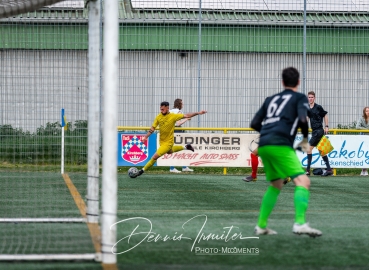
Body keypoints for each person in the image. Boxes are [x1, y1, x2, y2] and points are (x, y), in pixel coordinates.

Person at [250, 67, 322, 237]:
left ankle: (261, 225)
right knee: (303, 181)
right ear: (298, 82)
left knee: (276, 184)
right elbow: (304, 119)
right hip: (280, 143)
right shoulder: (299, 98)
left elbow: (254, 122)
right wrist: (304, 139)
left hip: (264, 145)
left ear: (282, 82)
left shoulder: (272, 99)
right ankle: (300, 223)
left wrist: (268, 132)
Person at [133, 101, 207, 177]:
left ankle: (141, 171)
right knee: (169, 152)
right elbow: (152, 128)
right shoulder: (158, 117)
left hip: (168, 142)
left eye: (163, 109)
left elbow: (186, 115)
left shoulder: (173, 116)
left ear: (167, 108)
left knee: (155, 156)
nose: (161, 111)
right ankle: (186, 147)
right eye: (160, 109)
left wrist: (198, 113)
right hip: (161, 141)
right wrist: (146, 137)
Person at [306, 91, 332, 177]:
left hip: (319, 131)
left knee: (308, 149)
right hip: (314, 131)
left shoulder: (318, 107)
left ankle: (308, 170)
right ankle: (329, 169)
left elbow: (325, 115)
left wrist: (327, 126)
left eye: (312, 97)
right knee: (322, 151)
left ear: (314, 98)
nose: (310, 99)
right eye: (309, 97)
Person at [169, 98, 194, 173]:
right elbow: (178, 123)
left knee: (174, 148)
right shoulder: (178, 112)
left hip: (170, 130)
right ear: (179, 104)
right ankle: (173, 167)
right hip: (177, 131)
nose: (183, 105)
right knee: (181, 148)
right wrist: (187, 118)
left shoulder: (170, 111)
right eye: (182, 103)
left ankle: (182, 166)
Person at [356, 106, 369, 176]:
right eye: (366, 111)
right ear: (364, 112)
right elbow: (357, 127)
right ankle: (364, 169)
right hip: (363, 138)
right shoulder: (361, 118)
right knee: (364, 153)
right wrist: (366, 129)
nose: (368, 112)